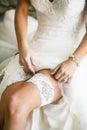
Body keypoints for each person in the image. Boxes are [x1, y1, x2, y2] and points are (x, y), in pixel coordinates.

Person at [0, 0, 87, 130]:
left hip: (68, 57)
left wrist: (74, 61)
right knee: (5, 106)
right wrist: (23, 46)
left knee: (15, 103)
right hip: (35, 52)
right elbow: (22, 9)